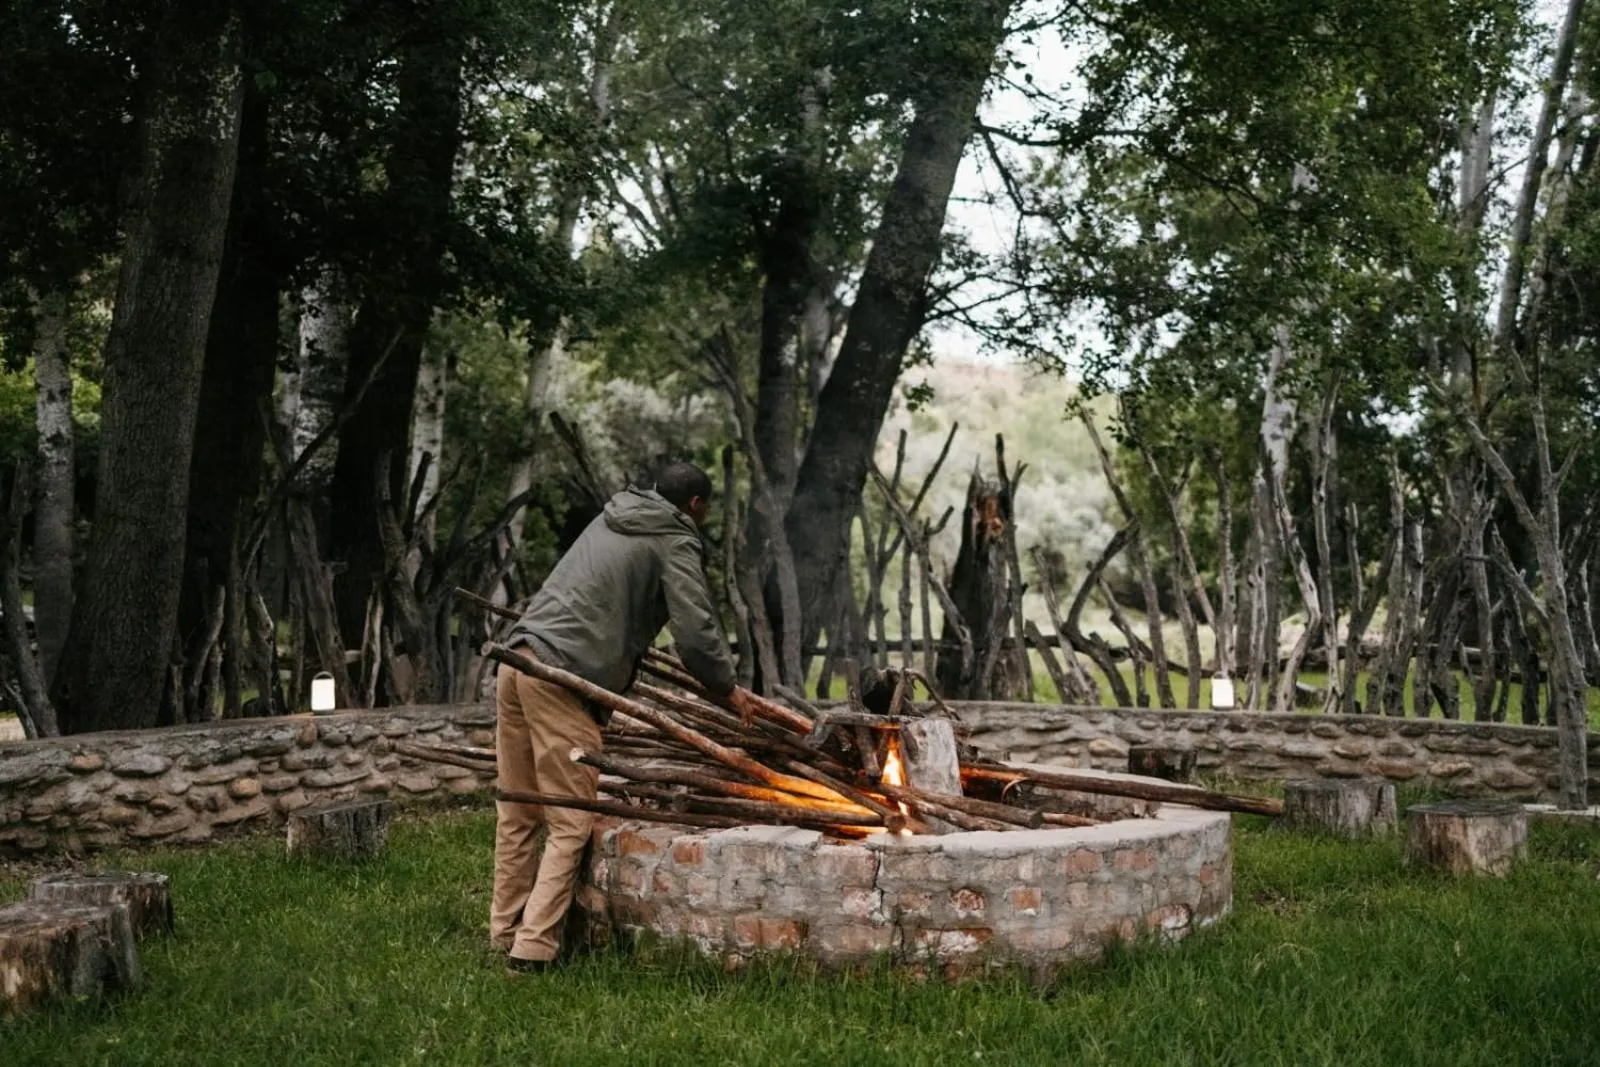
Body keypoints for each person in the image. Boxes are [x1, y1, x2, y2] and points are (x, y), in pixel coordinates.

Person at [491, 461, 757, 973]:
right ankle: (532, 950)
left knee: (519, 812)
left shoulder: (614, 514)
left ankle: (504, 933)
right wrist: (725, 687)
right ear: (695, 505)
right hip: (562, 677)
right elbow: (695, 632)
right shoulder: (674, 535)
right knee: (571, 821)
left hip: (517, 659)